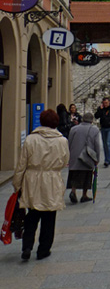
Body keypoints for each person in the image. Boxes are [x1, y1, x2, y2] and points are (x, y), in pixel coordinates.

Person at [12, 109, 69, 261]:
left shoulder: (31, 139)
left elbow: (21, 164)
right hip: (52, 179)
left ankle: (27, 246)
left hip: (33, 179)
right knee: (49, 217)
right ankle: (44, 249)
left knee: (32, 215)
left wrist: (17, 184)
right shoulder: (62, 140)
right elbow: (64, 161)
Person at [67, 112, 101, 203]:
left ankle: (73, 191)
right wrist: (97, 158)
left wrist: (69, 155)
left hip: (74, 155)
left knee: (74, 174)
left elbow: (69, 142)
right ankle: (84, 195)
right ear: (92, 120)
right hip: (87, 155)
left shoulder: (73, 129)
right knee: (87, 175)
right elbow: (97, 144)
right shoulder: (95, 130)